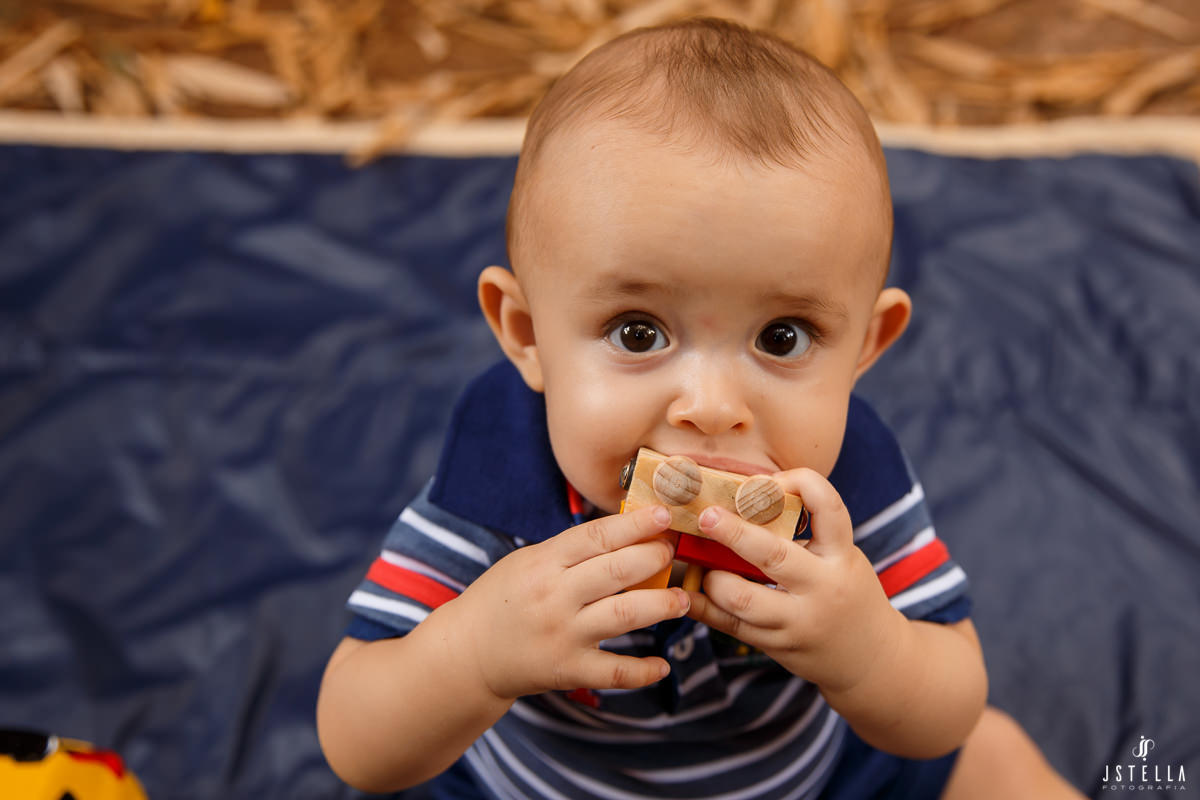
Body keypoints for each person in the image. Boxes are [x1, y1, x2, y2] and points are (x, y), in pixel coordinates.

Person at [317, 17, 1085, 800]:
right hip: (538, 788)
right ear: (528, 336)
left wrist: (871, 653)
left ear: (866, 346)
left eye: (783, 337)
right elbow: (356, 745)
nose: (713, 409)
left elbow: (946, 709)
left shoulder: (843, 484)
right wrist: (475, 654)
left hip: (813, 780)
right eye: (638, 332)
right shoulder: (498, 482)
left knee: (995, 758)